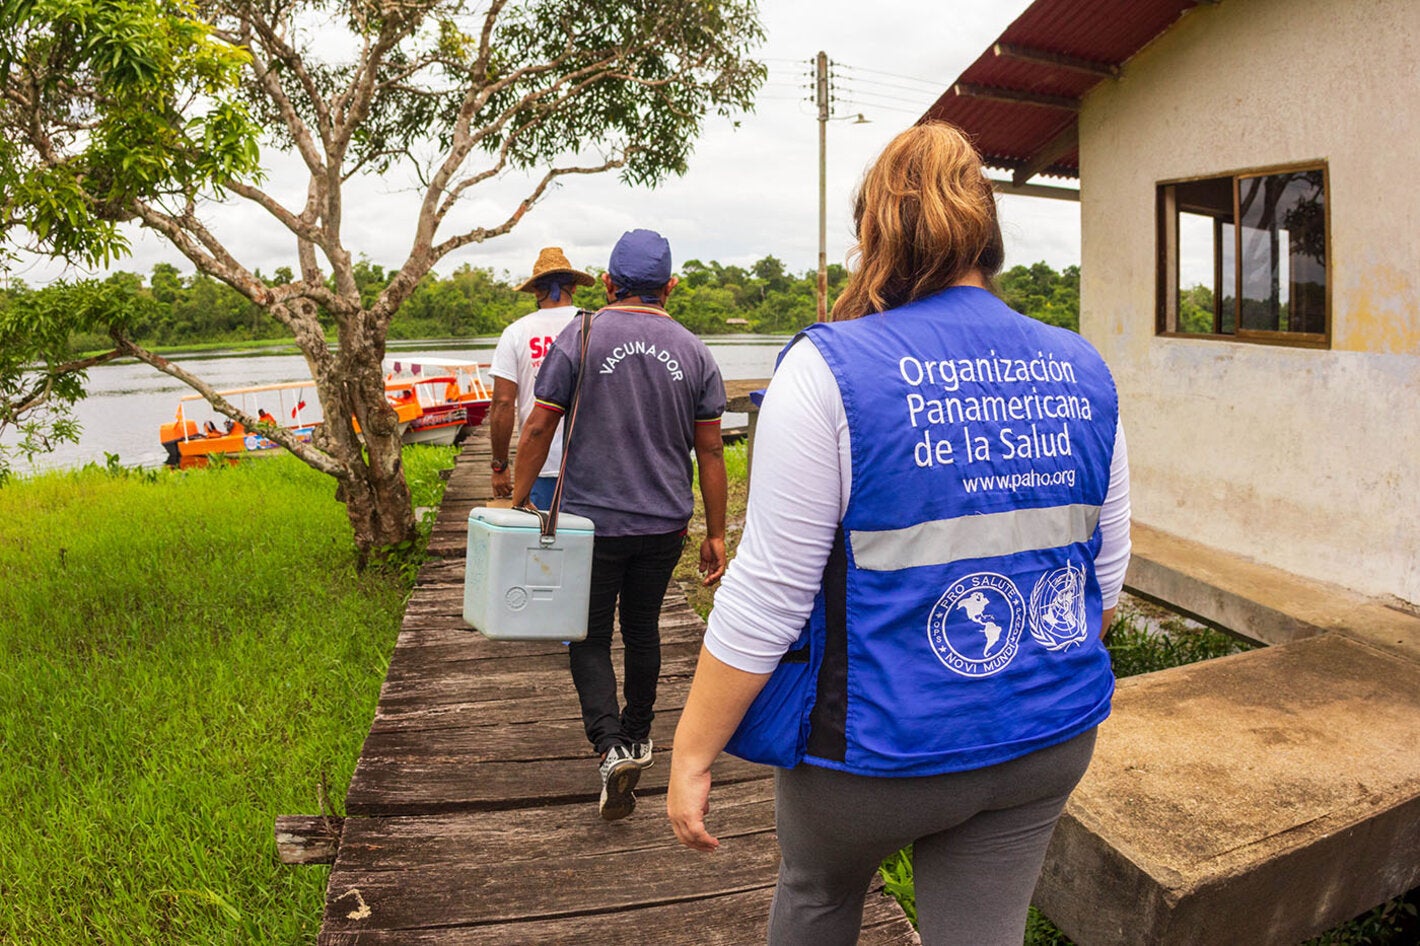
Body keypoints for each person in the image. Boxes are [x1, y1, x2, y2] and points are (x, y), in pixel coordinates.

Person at [666, 122, 1131, 946]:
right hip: (1045, 735)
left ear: (873, 232)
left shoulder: (829, 369)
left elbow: (768, 593)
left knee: (816, 898)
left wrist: (692, 750)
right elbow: (1106, 570)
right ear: (988, 233)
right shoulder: (1082, 366)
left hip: (875, 749)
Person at [511, 229, 730, 822]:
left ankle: (610, 749)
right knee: (643, 629)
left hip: (591, 523)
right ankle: (638, 736)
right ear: (670, 287)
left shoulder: (579, 334)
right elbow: (710, 453)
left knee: (587, 636)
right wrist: (717, 532)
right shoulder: (695, 350)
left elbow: (537, 428)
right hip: (664, 524)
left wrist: (514, 502)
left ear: (608, 284)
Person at [489, 247, 595, 507]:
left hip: (539, 461)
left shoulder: (516, 332)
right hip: (593, 464)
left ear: (536, 290)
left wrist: (500, 464)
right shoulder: (596, 326)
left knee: (544, 542)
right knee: (589, 544)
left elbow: (503, 403)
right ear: (574, 287)